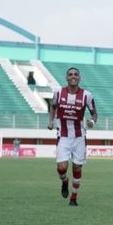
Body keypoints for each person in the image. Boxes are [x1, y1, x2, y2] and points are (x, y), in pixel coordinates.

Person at [47, 67, 97, 206]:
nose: (73, 76)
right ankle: (64, 181)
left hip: (79, 137)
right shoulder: (58, 92)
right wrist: (51, 121)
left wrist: (92, 122)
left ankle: (73, 198)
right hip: (63, 136)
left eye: (76, 74)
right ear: (66, 78)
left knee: (77, 168)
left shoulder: (87, 95)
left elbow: (94, 113)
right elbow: (53, 107)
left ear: (79, 78)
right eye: (70, 74)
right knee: (62, 168)